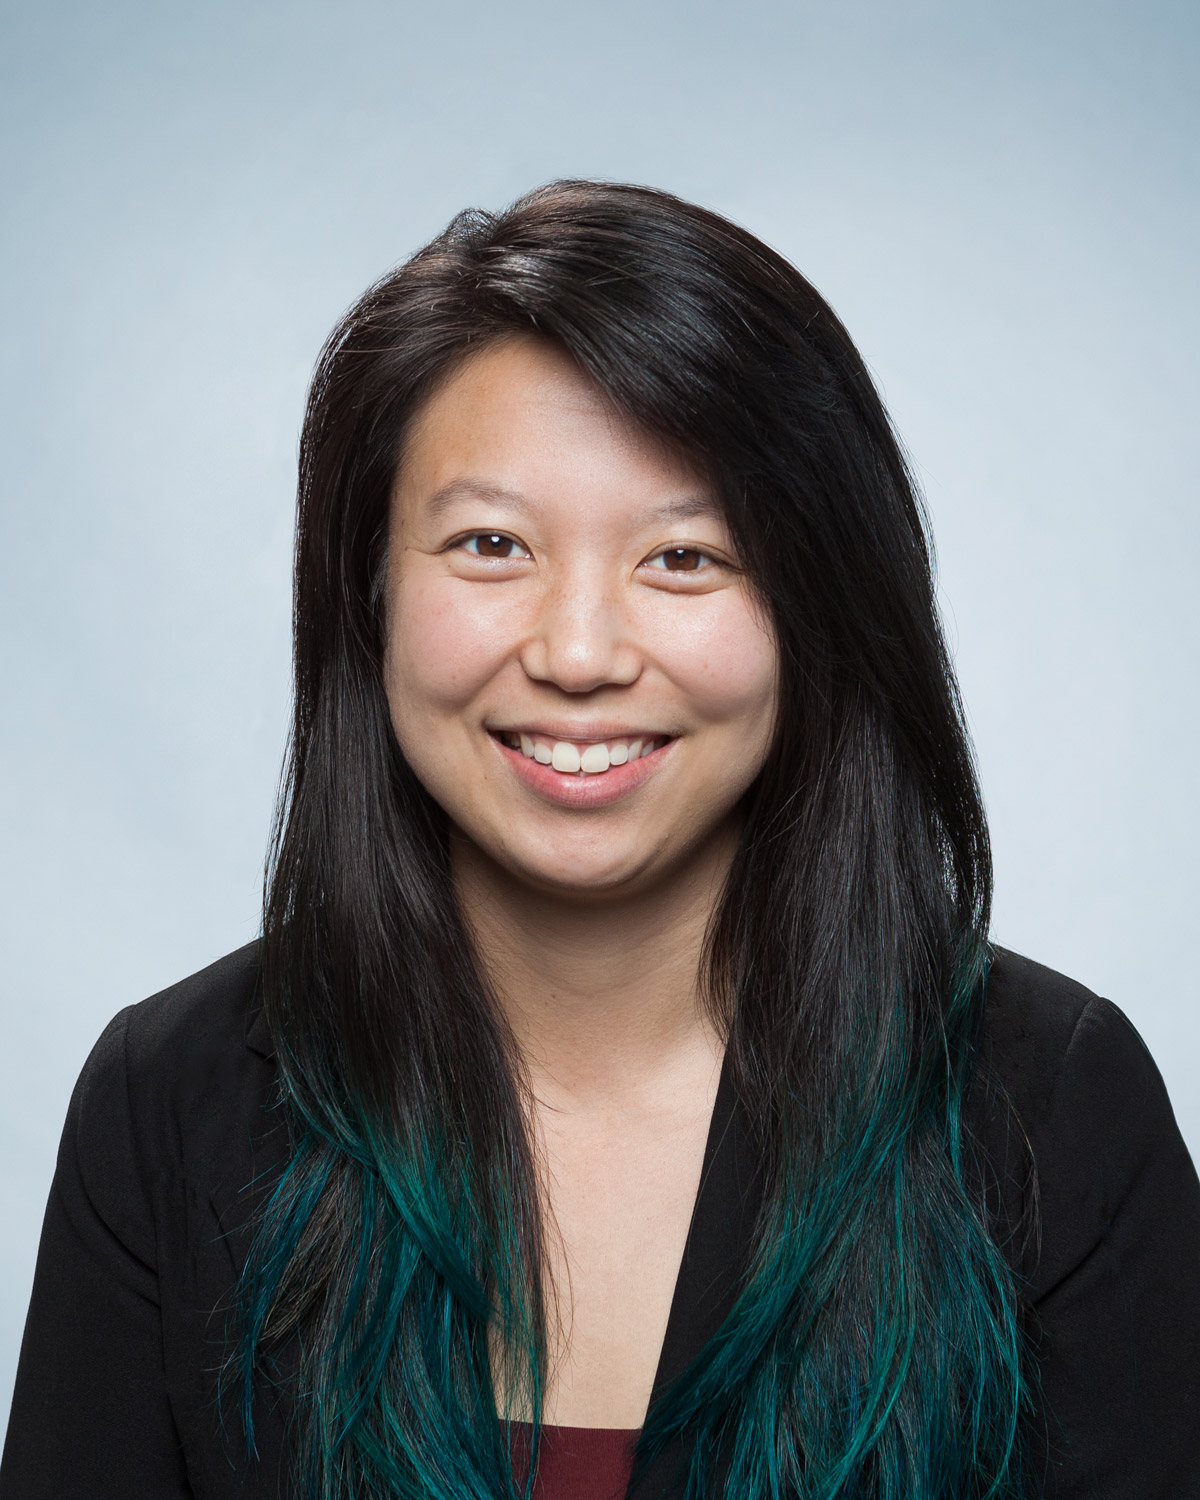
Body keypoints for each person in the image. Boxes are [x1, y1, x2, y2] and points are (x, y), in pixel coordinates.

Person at [2, 180, 1197, 1500]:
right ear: (370, 590)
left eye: (683, 558)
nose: (578, 655)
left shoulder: (1048, 1110)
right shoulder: (172, 1102)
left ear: (821, 600)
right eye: (491, 543)